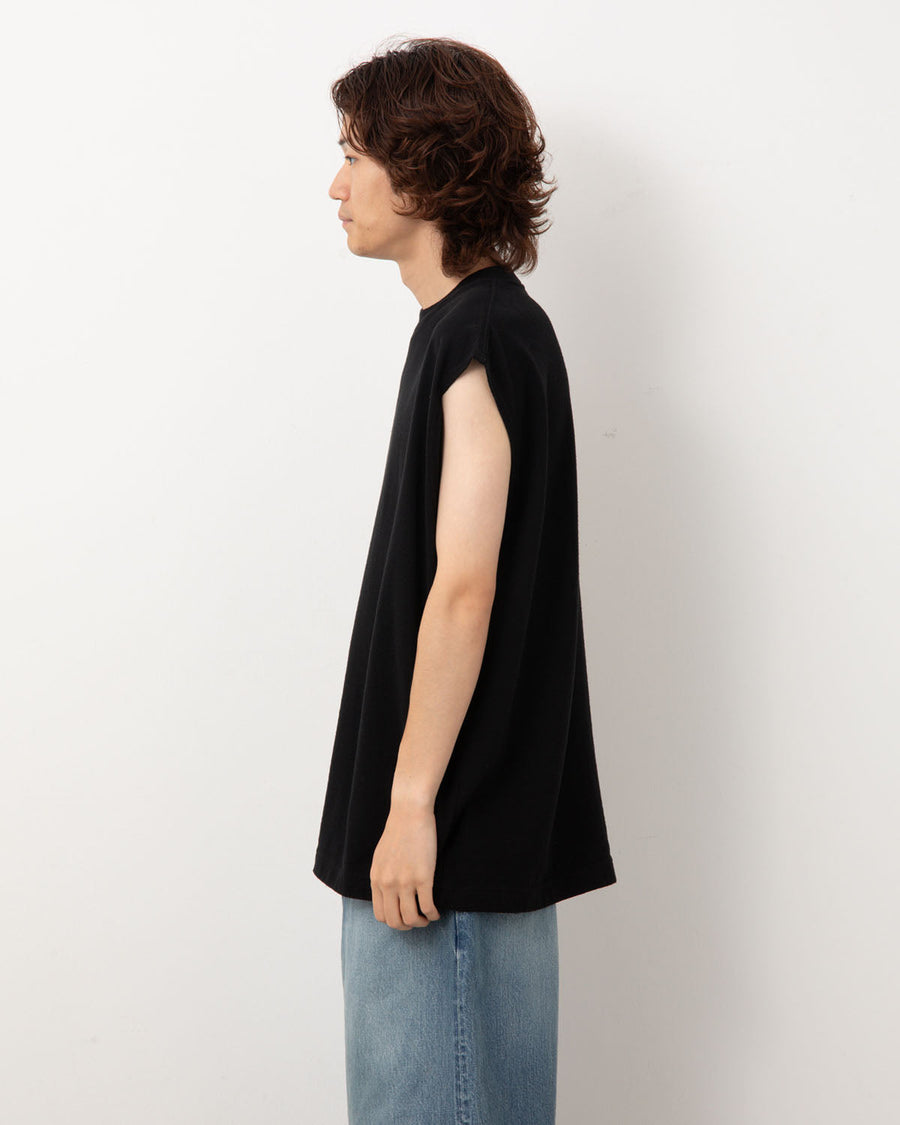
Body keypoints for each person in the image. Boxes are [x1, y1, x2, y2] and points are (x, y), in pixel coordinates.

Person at [313, 35, 617, 1125]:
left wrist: (407, 806)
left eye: (356, 155)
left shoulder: (480, 333)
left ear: (426, 166)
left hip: (444, 843)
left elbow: (464, 585)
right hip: (475, 833)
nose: (336, 185)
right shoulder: (481, 329)